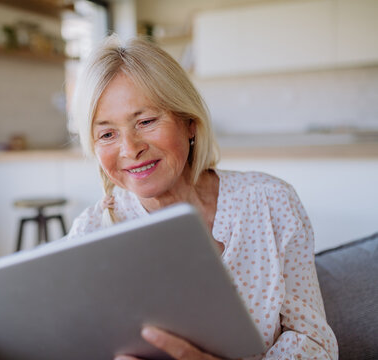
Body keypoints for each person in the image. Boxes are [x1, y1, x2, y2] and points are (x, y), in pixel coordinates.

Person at [67, 35, 338, 360]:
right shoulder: (91, 231)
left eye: (146, 121)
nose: (130, 149)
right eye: (107, 134)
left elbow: (316, 344)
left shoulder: (271, 202)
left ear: (190, 123)